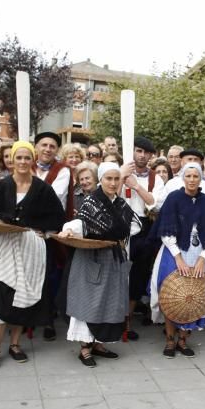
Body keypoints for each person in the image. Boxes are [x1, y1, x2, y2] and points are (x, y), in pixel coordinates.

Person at [0, 141, 66, 370]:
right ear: (12, 160)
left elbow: (57, 217)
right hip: (3, 248)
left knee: (23, 296)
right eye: (19, 157)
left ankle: (15, 344)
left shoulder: (43, 189)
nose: (23, 162)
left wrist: (40, 230)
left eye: (27, 158)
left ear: (32, 160)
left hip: (30, 250)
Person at [59, 162, 140, 367]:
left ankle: (99, 344)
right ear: (100, 180)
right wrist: (69, 229)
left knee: (109, 303)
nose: (113, 183)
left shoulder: (121, 204)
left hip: (113, 259)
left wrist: (113, 233)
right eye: (108, 179)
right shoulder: (92, 202)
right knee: (90, 302)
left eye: (116, 179)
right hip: (91, 258)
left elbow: (135, 225)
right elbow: (81, 223)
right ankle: (85, 348)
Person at [150, 163, 205, 357]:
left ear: (201, 179)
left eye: (195, 176)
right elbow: (166, 231)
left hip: (200, 253)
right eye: (188, 176)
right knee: (171, 295)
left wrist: (202, 258)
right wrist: (178, 258)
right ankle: (169, 341)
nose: (191, 180)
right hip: (174, 253)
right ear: (183, 178)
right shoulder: (174, 199)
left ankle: (183, 340)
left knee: (194, 297)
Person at [34, 131, 73, 342]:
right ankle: (26, 318)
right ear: (36, 147)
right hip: (25, 231)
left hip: (48, 232)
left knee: (47, 277)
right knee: (27, 276)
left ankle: (47, 319)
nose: (47, 149)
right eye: (44, 145)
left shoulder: (63, 170)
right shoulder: (25, 164)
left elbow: (53, 198)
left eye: (52, 146)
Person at [121, 136, 160, 340]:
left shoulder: (156, 178)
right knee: (118, 274)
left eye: (146, 152)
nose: (142, 155)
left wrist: (136, 185)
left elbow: (154, 203)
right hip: (121, 227)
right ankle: (113, 317)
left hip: (144, 228)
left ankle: (127, 319)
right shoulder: (119, 172)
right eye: (138, 151)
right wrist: (122, 177)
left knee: (137, 275)